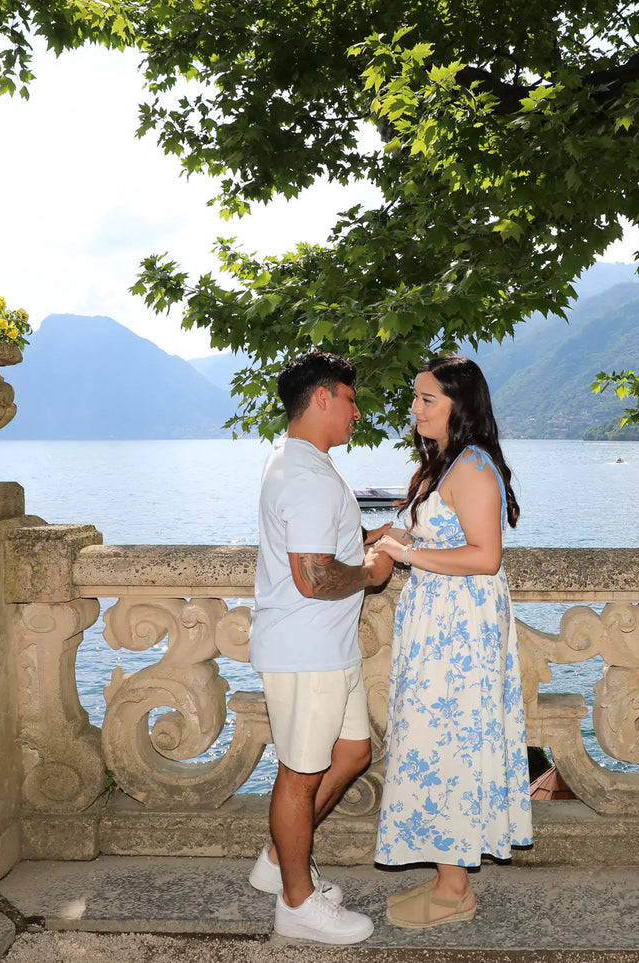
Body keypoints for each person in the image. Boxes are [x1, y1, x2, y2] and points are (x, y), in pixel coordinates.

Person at [371, 356, 533, 929]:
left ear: (459, 406)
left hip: (460, 631)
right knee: (435, 742)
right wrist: (384, 535)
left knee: (452, 744)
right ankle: (449, 880)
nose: (415, 409)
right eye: (415, 398)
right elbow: (429, 530)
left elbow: (486, 557)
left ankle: (454, 890)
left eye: (427, 399)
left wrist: (405, 554)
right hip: (438, 623)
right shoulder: (443, 463)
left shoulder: (472, 468)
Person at [248, 350, 394, 944]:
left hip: (327, 647)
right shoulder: (306, 474)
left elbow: (324, 542)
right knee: (301, 775)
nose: (357, 412)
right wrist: (372, 571)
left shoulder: (299, 461)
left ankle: (278, 860)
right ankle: (297, 903)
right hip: (307, 650)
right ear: (325, 398)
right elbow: (313, 576)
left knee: (354, 751)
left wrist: (371, 537)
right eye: (352, 400)